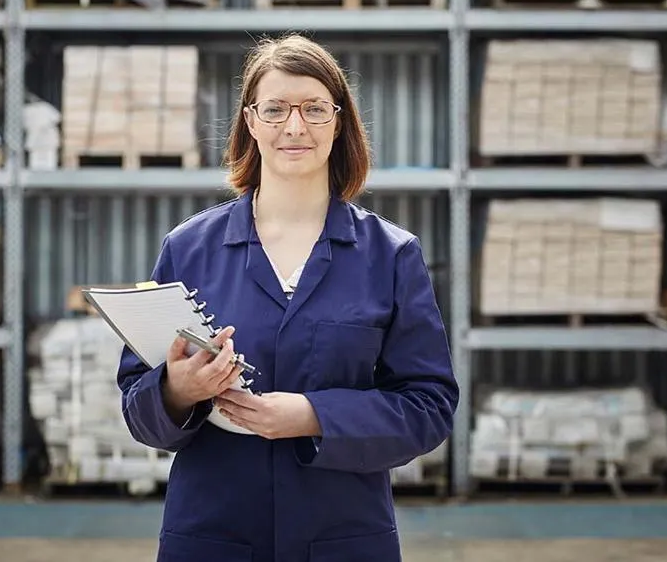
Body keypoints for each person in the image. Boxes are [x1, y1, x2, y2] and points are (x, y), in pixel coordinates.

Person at [116, 33, 459, 562]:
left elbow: (429, 407)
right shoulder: (188, 250)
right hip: (213, 535)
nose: (294, 126)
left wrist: (313, 415)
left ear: (338, 122)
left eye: (315, 109)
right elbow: (138, 406)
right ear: (250, 122)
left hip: (342, 537)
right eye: (275, 109)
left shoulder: (391, 257)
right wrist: (177, 391)